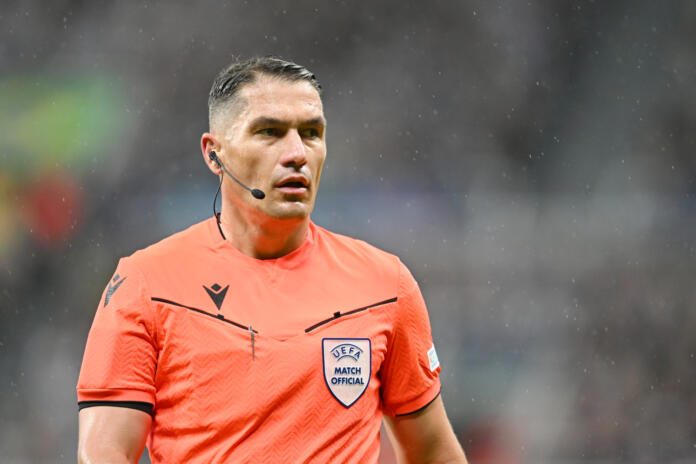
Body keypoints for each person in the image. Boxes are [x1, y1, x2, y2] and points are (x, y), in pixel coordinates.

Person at [76, 57, 467, 464]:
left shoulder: (386, 285)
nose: (297, 153)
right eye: (270, 132)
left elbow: (433, 452)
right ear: (214, 154)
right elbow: (104, 452)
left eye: (312, 133)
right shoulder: (146, 284)